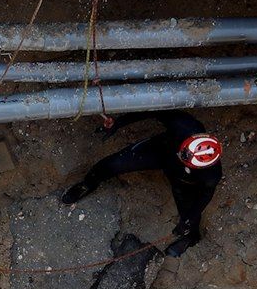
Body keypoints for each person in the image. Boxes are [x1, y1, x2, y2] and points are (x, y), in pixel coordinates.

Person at [61, 110, 222, 257]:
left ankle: (190, 237)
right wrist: (119, 123)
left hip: (182, 180)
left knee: (189, 215)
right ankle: (88, 184)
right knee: (113, 164)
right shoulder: (184, 125)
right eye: (182, 151)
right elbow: (152, 110)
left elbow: (205, 195)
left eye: (184, 158)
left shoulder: (210, 176)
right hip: (160, 151)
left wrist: (189, 219)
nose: (180, 155)